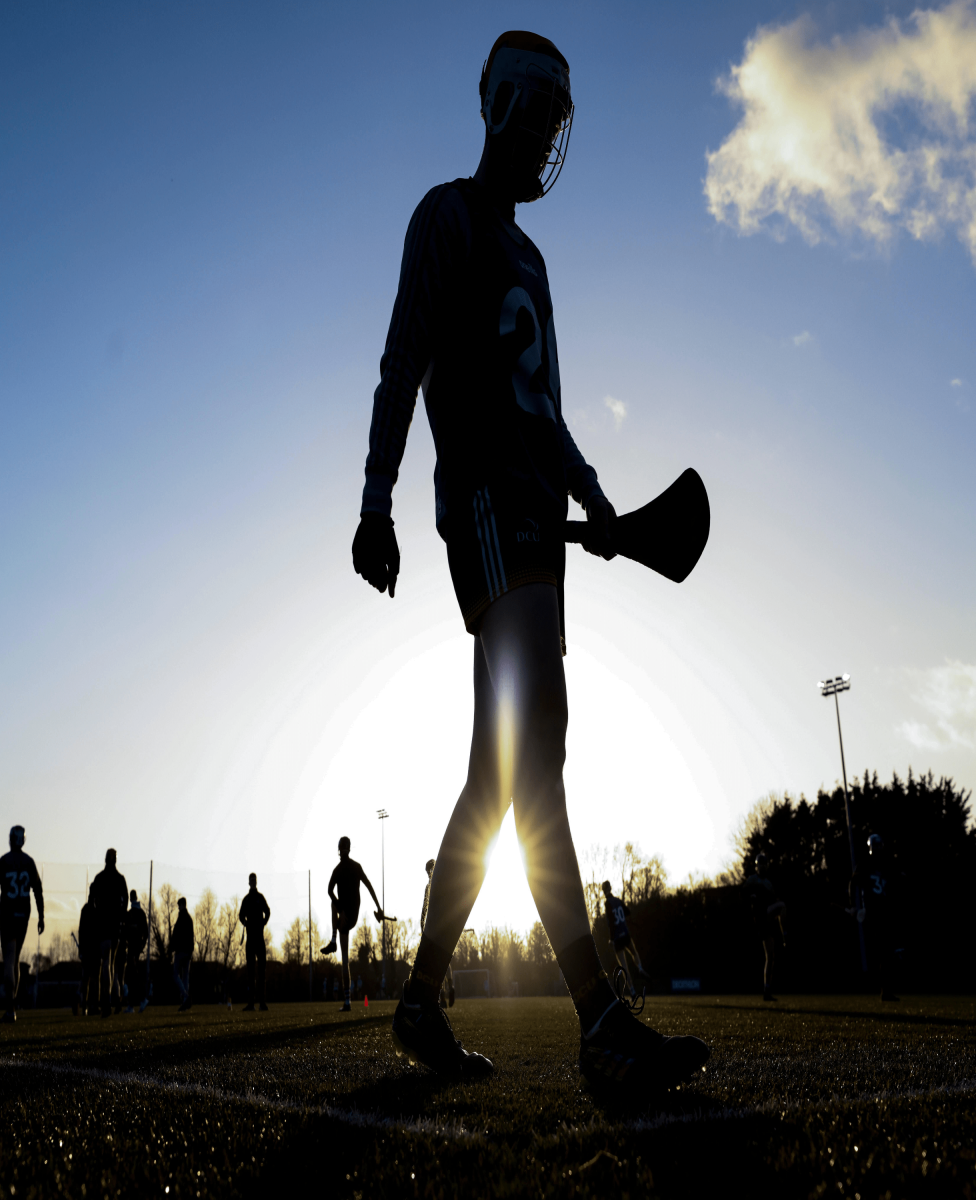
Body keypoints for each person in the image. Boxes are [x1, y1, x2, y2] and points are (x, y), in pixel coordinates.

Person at [352, 29, 710, 1092]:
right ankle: (599, 1020)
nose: (550, 139)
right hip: (481, 506)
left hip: (540, 514)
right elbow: (402, 363)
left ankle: (420, 1000)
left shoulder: (534, 259)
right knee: (540, 741)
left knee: (496, 771)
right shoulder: (446, 216)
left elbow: (543, 407)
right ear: (501, 108)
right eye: (541, 117)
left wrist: (598, 496)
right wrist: (375, 502)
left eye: (561, 125)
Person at [0, 825, 44, 1024]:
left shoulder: (4, 861)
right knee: (15, 958)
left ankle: (10, 1008)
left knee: (9, 959)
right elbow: (38, 890)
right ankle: (13, 1007)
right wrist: (42, 915)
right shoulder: (29, 862)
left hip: (8, 915)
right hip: (23, 916)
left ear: (11, 839)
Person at [321, 837, 384, 1011]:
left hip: (347, 916)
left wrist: (378, 907)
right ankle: (347, 1002)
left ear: (340, 849)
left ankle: (333, 940)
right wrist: (379, 907)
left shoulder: (345, 868)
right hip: (347, 916)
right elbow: (369, 886)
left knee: (344, 960)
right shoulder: (351, 867)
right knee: (344, 960)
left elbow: (329, 890)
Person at [851, 833, 902, 1002]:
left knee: (885, 951)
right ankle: (884, 990)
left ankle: (885, 990)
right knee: (884, 951)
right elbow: (854, 883)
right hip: (874, 912)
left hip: (885, 911)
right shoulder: (866, 864)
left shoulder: (885, 864)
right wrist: (855, 905)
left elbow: (896, 883)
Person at [88, 848, 128, 1017]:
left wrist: (96, 915)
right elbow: (125, 901)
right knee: (111, 965)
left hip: (102, 925)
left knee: (105, 963)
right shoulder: (120, 879)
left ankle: (105, 1000)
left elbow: (91, 902)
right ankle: (111, 1000)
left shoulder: (99, 878)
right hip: (114, 927)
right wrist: (120, 917)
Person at [743, 851, 786, 1002]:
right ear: (757, 866)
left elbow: (774, 900)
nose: (762, 867)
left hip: (767, 918)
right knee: (782, 906)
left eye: (764, 864)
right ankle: (785, 933)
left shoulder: (768, 883)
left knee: (771, 956)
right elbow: (744, 896)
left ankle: (766, 991)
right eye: (760, 864)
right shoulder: (752, 880)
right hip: (760, 917)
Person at [602, 881, 650, 1003]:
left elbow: (611, 923)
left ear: (603, 891)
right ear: (611, 888)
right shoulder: (617, 900)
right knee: (634, 952)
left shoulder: (607, 903)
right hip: (625, 933)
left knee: (624, 966)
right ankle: (639, 968)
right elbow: (627, 911)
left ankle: (632, 991)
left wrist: (611, 939)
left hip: (617, 937)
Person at [421, 859, 455, 1007]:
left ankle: (443, 994)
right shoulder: (434, 885)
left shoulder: (435, 886)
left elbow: (426, 908)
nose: (429, 874)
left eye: (430, 870)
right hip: (439, 928)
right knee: (442, 960)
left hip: (438, 928)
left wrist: (423, 923)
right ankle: (445, 991)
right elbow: (424, 908)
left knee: (439, 961)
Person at [239, 873, 271, 1012]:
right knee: (251, 973)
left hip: (260, 939)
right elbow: (240, 915)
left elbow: (268, 911)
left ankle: (262, 1004)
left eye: (254, 880)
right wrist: (245, 922)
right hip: (250, 940)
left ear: (256, 882)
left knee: (261, 972)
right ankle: (251, 1004)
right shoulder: (246, 900)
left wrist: (264, 922)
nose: (253, 882)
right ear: (249, 883)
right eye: (251, 880)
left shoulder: (260, 898)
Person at [122, 889, 149, 1013]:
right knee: (131, 975)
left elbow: (145, 932)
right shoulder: (136, 913)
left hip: (134, 948)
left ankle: (142, 999)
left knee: (132, 975)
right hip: (133, 947)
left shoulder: (135, 913)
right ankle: (132, 1005)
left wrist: (140, 946)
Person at [74, 899, 96, 1016]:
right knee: (93, 978)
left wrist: (81, 948)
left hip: (85, 948)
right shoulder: (96, 908)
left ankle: (81, 1002)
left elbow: (81, 930)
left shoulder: (84, 909)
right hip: (94, 948)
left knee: (85, 977)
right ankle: (91, 1005)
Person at [172, 895, 194, 1011]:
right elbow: (191, 936)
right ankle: (185, 1001)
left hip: (180, 950)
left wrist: (172, 947)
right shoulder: (189, 919)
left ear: (181, 905)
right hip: (188, 951)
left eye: (178, 905)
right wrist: (191, 950)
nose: (178, 908)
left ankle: (185, 996)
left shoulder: (181, 918)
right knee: (185, 976)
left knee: (175, 974)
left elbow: (176, 934)